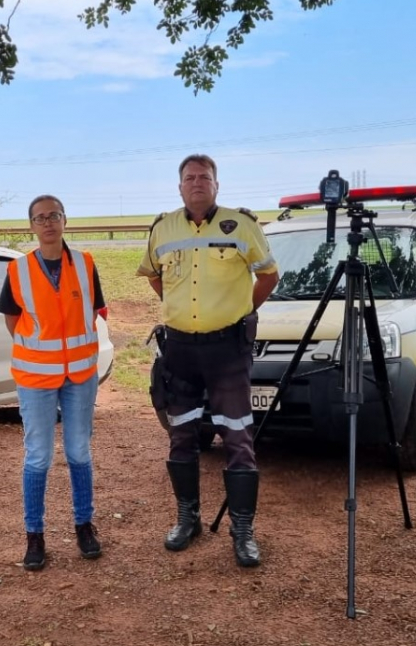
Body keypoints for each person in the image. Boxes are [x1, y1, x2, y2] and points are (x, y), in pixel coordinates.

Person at [137, 154, 280, 567]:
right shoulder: (163, 229)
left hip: (227, 352)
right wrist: (178, 306)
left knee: (237, 438)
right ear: (179, 186)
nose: (196, 183)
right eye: (189, 178)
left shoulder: (242, 225)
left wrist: (240, 312)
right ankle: (188, 519)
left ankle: (242, 531)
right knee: (181, 435)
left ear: (217, 184)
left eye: (204, 177)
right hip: (179, 350)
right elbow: (152, 273)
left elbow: (269, 275)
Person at [0, 194, 108, 571]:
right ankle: (34, 536)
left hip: (80, 375)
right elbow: (13, 322)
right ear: (31, 225)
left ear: (65, 220)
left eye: (54, 216)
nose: (47, 223)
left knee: (79, 452)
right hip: (35, 378)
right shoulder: (18, 270)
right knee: (38, 457)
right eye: (40, 218)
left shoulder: (85, 264)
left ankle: (84, 526)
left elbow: (94, 311)